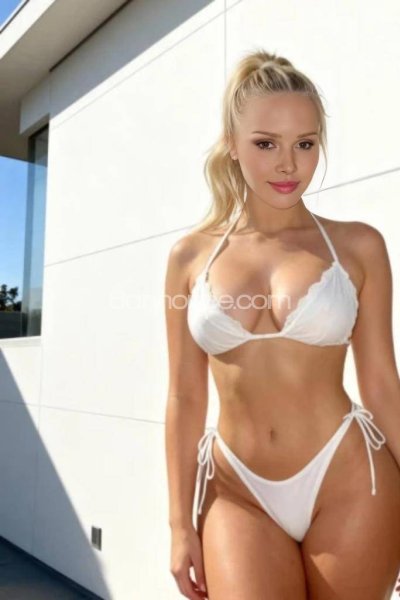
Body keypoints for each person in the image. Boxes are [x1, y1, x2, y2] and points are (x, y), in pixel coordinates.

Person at [164, 49, 400, 600]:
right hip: (235, 489)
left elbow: (382, 385)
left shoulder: (358, 246)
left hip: (349, 478)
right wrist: (179, 524)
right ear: (232, 143)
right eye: (266, 144)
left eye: (306, 144)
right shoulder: (189, 258)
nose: (289, 165)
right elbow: (184, 397)